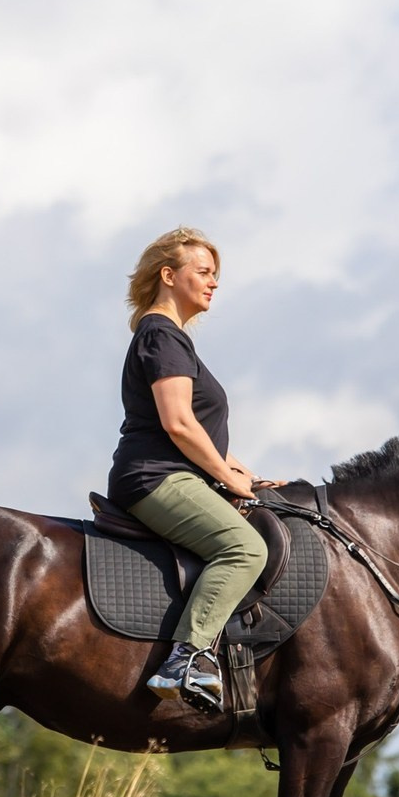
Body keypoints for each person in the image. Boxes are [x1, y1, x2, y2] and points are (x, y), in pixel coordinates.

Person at [106, 227, 283, 712]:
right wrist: (227, 479)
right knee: (246, 548)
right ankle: (186, 658)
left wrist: (249, 477)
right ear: (169, 275)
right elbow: (179, 424)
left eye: (215, 274)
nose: (213, 282)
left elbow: (199, 432)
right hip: (156, 478)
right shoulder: (162, 335)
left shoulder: (171, 338)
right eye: (203, 272)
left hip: (172, 472)